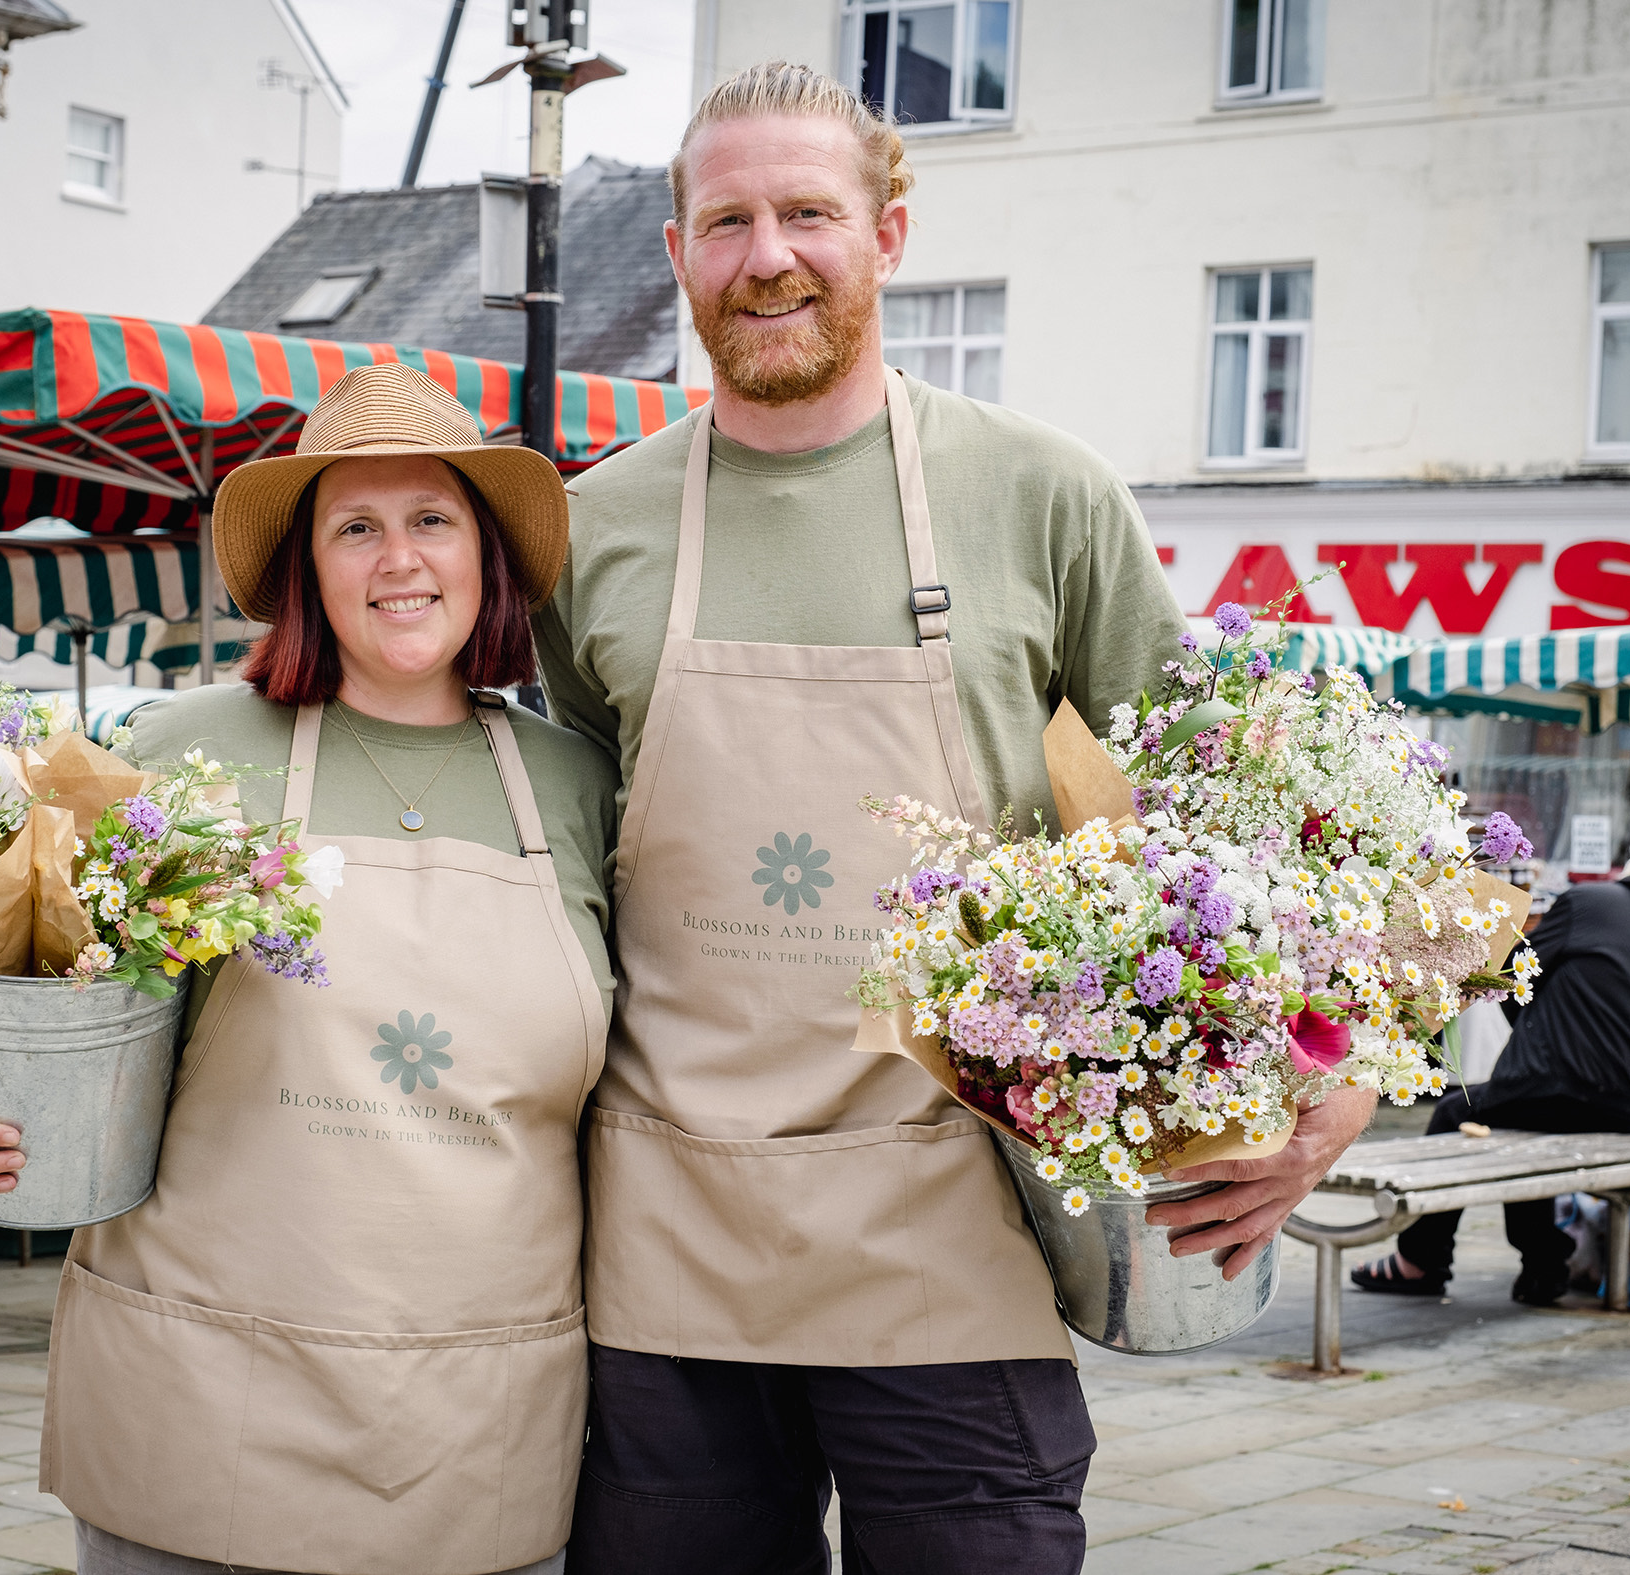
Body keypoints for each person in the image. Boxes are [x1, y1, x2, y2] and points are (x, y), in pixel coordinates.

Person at [535, 62, 1380, 1574]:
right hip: (666, 1246)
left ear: (889, 234)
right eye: (725, 221)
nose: (767, 256)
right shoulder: (592, 525)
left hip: (959, 1225)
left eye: (807, 213)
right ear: (675, 253)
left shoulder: (1039, 493)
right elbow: (555, 872)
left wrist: (1344, 1073)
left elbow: (1245, 816)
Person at [0, 364, 620, 1575]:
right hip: (206, 1401)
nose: (399, 560)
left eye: (433, 520)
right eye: (354, 527)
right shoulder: (178, 747)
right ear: (306, 571)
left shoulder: (579, 784)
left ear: (487, 557)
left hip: (485, 1417)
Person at [1351, 846, 1630, 1306]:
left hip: (1560, 1090)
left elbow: (1512, 980)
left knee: (1465, 1112)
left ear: (1628, 879)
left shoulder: (1589, 903)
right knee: (1520, 1117)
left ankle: (1425, 1262)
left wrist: (1542, 1039)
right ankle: (1542, 1265)